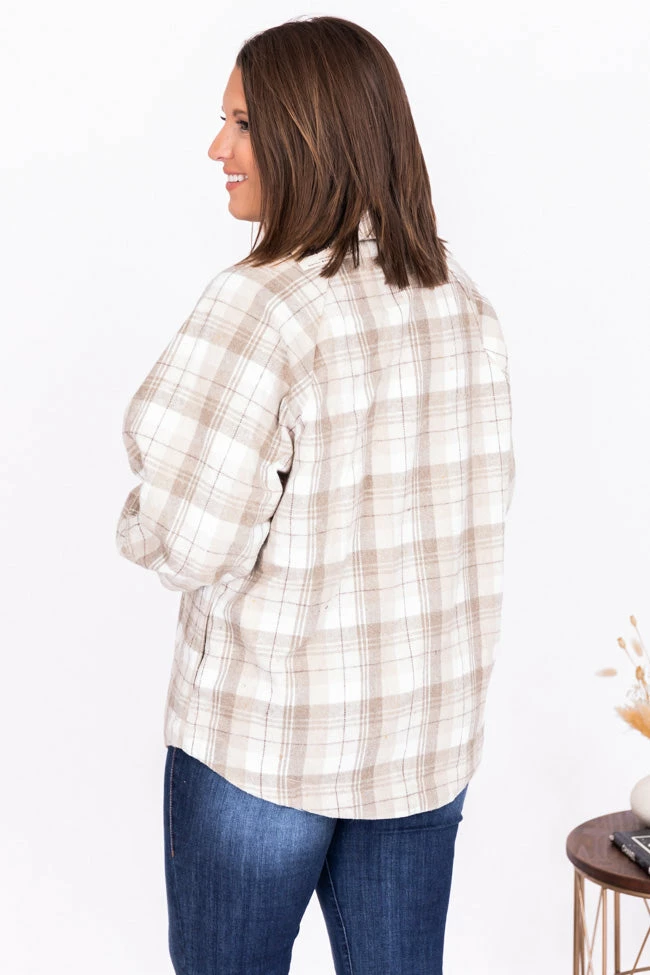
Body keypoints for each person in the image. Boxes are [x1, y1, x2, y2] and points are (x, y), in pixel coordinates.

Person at [115, 14, 516, 975]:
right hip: (419, 742)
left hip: (267, 745)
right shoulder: (462, 301)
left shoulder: (264, 305)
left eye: (243, 123)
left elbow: (189, 540)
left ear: (310, 135)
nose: (218, 149)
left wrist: (138, 520)